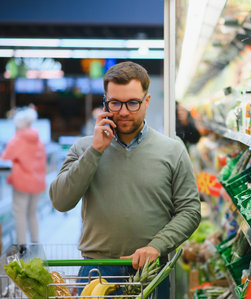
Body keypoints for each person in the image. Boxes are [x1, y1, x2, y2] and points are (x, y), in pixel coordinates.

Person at [49, 61, 201, 297]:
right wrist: (95, 151)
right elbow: (60, 201)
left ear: (147, 101)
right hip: (96, 271)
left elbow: (190, 210)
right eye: (115, 103)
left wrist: (156, 246)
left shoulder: (173, 150)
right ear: (105, 102)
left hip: (151, 271)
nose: (123, 111)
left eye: (132, 103)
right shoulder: (83, 148)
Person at [1, 106, 47, 247]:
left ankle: (22, 246)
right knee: (32, 213)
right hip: (38, 183)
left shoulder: (17, 140)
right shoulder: (38, 140)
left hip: (22, 183)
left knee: (20, 214)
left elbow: (5, 157)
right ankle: (35, 244)